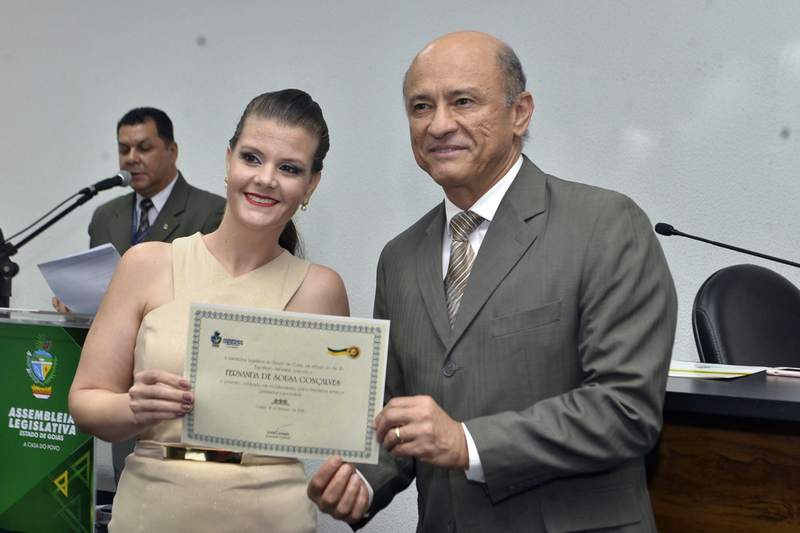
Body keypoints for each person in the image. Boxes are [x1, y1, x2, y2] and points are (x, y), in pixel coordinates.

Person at [309, 31, 678, 532]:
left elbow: (625, 409)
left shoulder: (604, 224)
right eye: (421, 107)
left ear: (519, 113)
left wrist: (467, 443)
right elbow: (398, 417)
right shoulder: (399, 258)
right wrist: (362, 482)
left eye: (463, 101)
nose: (439, 124)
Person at [69, 89, 348, 532]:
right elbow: (86, 402)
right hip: (152, 512)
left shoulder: (321, 291)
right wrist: (134, 408)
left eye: (289, 168)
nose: (265, 179)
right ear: (228, 159)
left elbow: (335, 425)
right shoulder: (146, 265)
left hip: (273, 519)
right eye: (252, 158)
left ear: (311, 185)